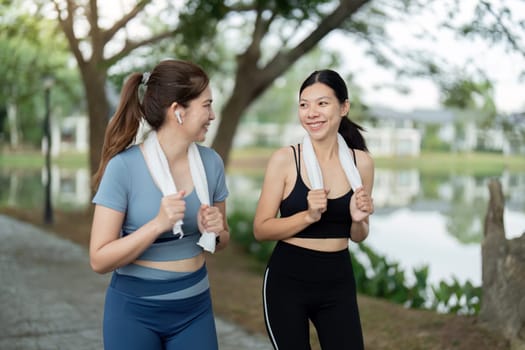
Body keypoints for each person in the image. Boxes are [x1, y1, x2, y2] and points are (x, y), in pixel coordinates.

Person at [89, 59, 230, 350]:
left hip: (195, 310)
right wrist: (157, 225)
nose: (212, 115)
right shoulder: (123, 168)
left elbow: (222, 239)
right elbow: (99, 259)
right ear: (178, 111)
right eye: (206, 105)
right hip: (134, 314)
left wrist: (217, 230)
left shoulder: (211, 163)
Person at [253, 69, 374, 350]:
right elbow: (261, 228)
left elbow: (359, 235)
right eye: (304, 104)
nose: (311, 112)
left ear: (344, 107)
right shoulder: (285, 160)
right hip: (287, 280)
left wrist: (358, 220)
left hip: (337, 280)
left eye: (322, 103)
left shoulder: (362, 164)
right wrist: (307, 216)